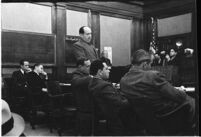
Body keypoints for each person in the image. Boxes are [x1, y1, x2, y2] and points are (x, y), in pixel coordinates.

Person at [120, 49, 195, 135]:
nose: (150, 67)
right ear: (145, 64)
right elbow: (178, 96)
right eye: (150, 64)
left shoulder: (123, 80)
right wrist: (181, 91)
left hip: (146, 121)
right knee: (191, 101)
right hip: (166, 116)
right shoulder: (152, 76)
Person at [88, 59, 130, 135]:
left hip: (100, 120)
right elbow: (120, 103)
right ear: (100, 72)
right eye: (106, 69)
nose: (109, 71)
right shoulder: (104, 85)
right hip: (112, 122)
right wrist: (129, 98)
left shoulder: (92, 82)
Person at [71, 58, 93, 135]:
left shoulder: (86, 74)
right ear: (80, 66)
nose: (90, 68)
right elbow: (76, 82)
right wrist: (91, 77)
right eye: (88, 66)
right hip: (83, 105)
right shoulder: (76, 74)